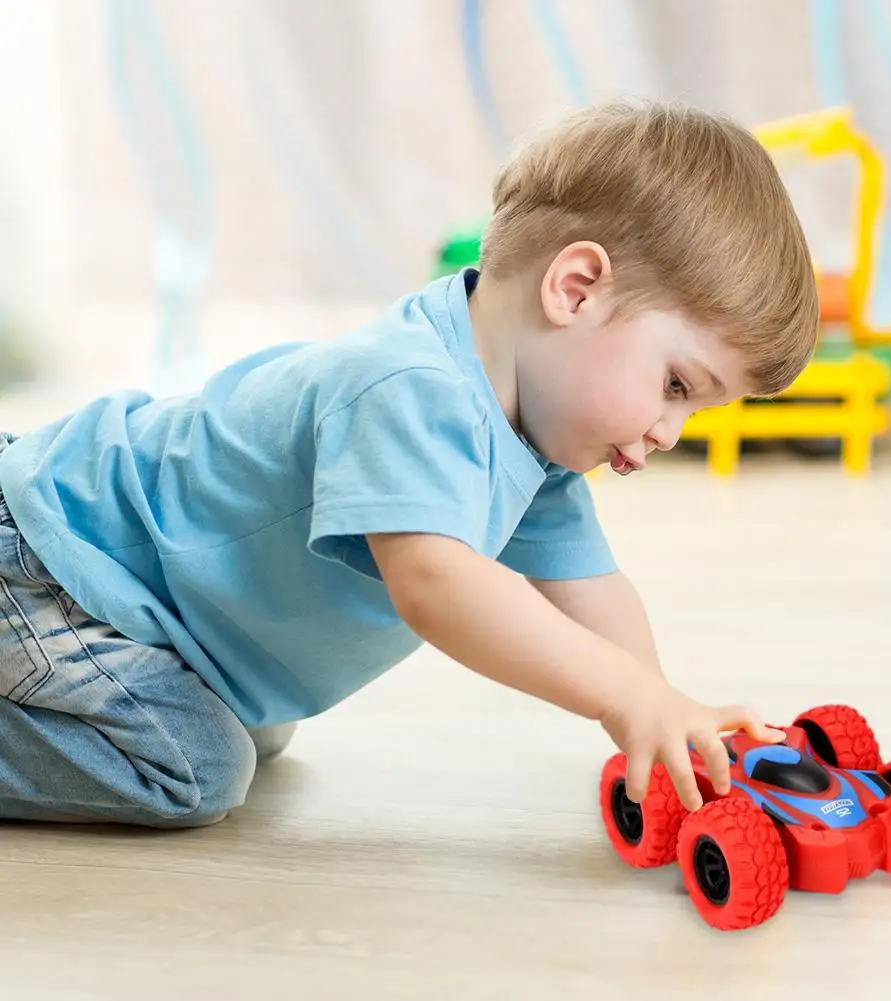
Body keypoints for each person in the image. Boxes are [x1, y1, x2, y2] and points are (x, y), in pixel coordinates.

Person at [0, 99, 818, 829]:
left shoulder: (534, 437)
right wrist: (622, 694)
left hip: (138, 605)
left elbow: (589, 585)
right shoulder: (410, 387)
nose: (671, 431)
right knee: (193, 764)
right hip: (48, 561)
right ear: (574, 289)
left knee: (258, 728)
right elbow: (436, 583)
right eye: (675, 386)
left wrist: (661, 710)